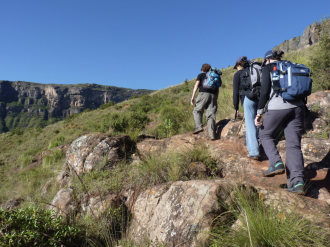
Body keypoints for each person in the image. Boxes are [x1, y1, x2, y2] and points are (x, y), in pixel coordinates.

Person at [255, 50, 305, 194]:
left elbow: (264, 92)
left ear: (268, 60)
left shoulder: (268, 68)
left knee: (264, 134)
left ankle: (276, 162)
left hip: (278, 106)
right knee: (294, 145)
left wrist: (259, 113)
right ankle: (297, 183)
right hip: (298, 107)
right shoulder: (290, 66)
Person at [233, 56, 260, 159]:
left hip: (248, 99)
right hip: (260, 97)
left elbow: (235, 93)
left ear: (238, 65)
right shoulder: (254, 71)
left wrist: (236, 108)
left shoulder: (238, 74)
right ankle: (253, 147)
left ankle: (254, 151)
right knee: (257, 122)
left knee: (250, 125)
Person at [190, 63, 219, 140]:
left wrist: (192, 97)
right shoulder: (214, 76)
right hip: (213, 95)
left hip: (203, 94)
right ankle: (212, 135)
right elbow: (218, 89)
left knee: (197, 111)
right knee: (211, 115)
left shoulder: (201, 75)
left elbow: (196, 86)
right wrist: (216, 98)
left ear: (202, 69)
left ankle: (199, 126)